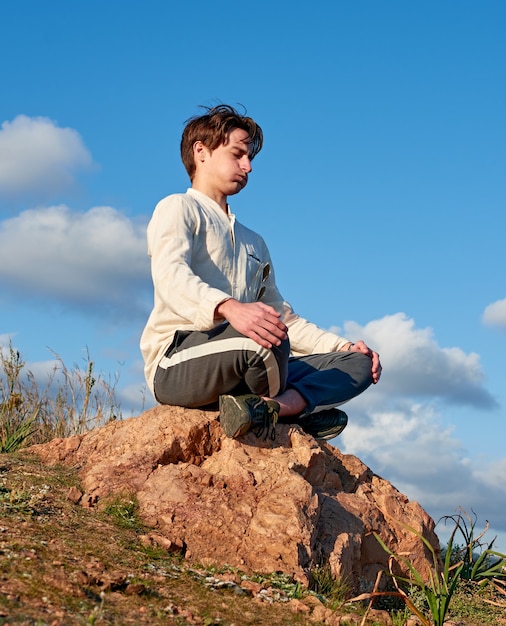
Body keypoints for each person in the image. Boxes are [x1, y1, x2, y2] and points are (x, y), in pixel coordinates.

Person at [140, 104, 381, 441]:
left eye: (250, 158)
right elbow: (170, 275)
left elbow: (286, 318)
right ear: (201, 152)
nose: (248, 166)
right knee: (266, 338)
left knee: (355, 366)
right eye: (237, 154)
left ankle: (271, 409)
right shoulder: (178, 207)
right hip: (179, 359)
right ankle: (297, 414)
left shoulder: (255, 242)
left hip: (254, 355)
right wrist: (229, 308)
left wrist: (344, 346)